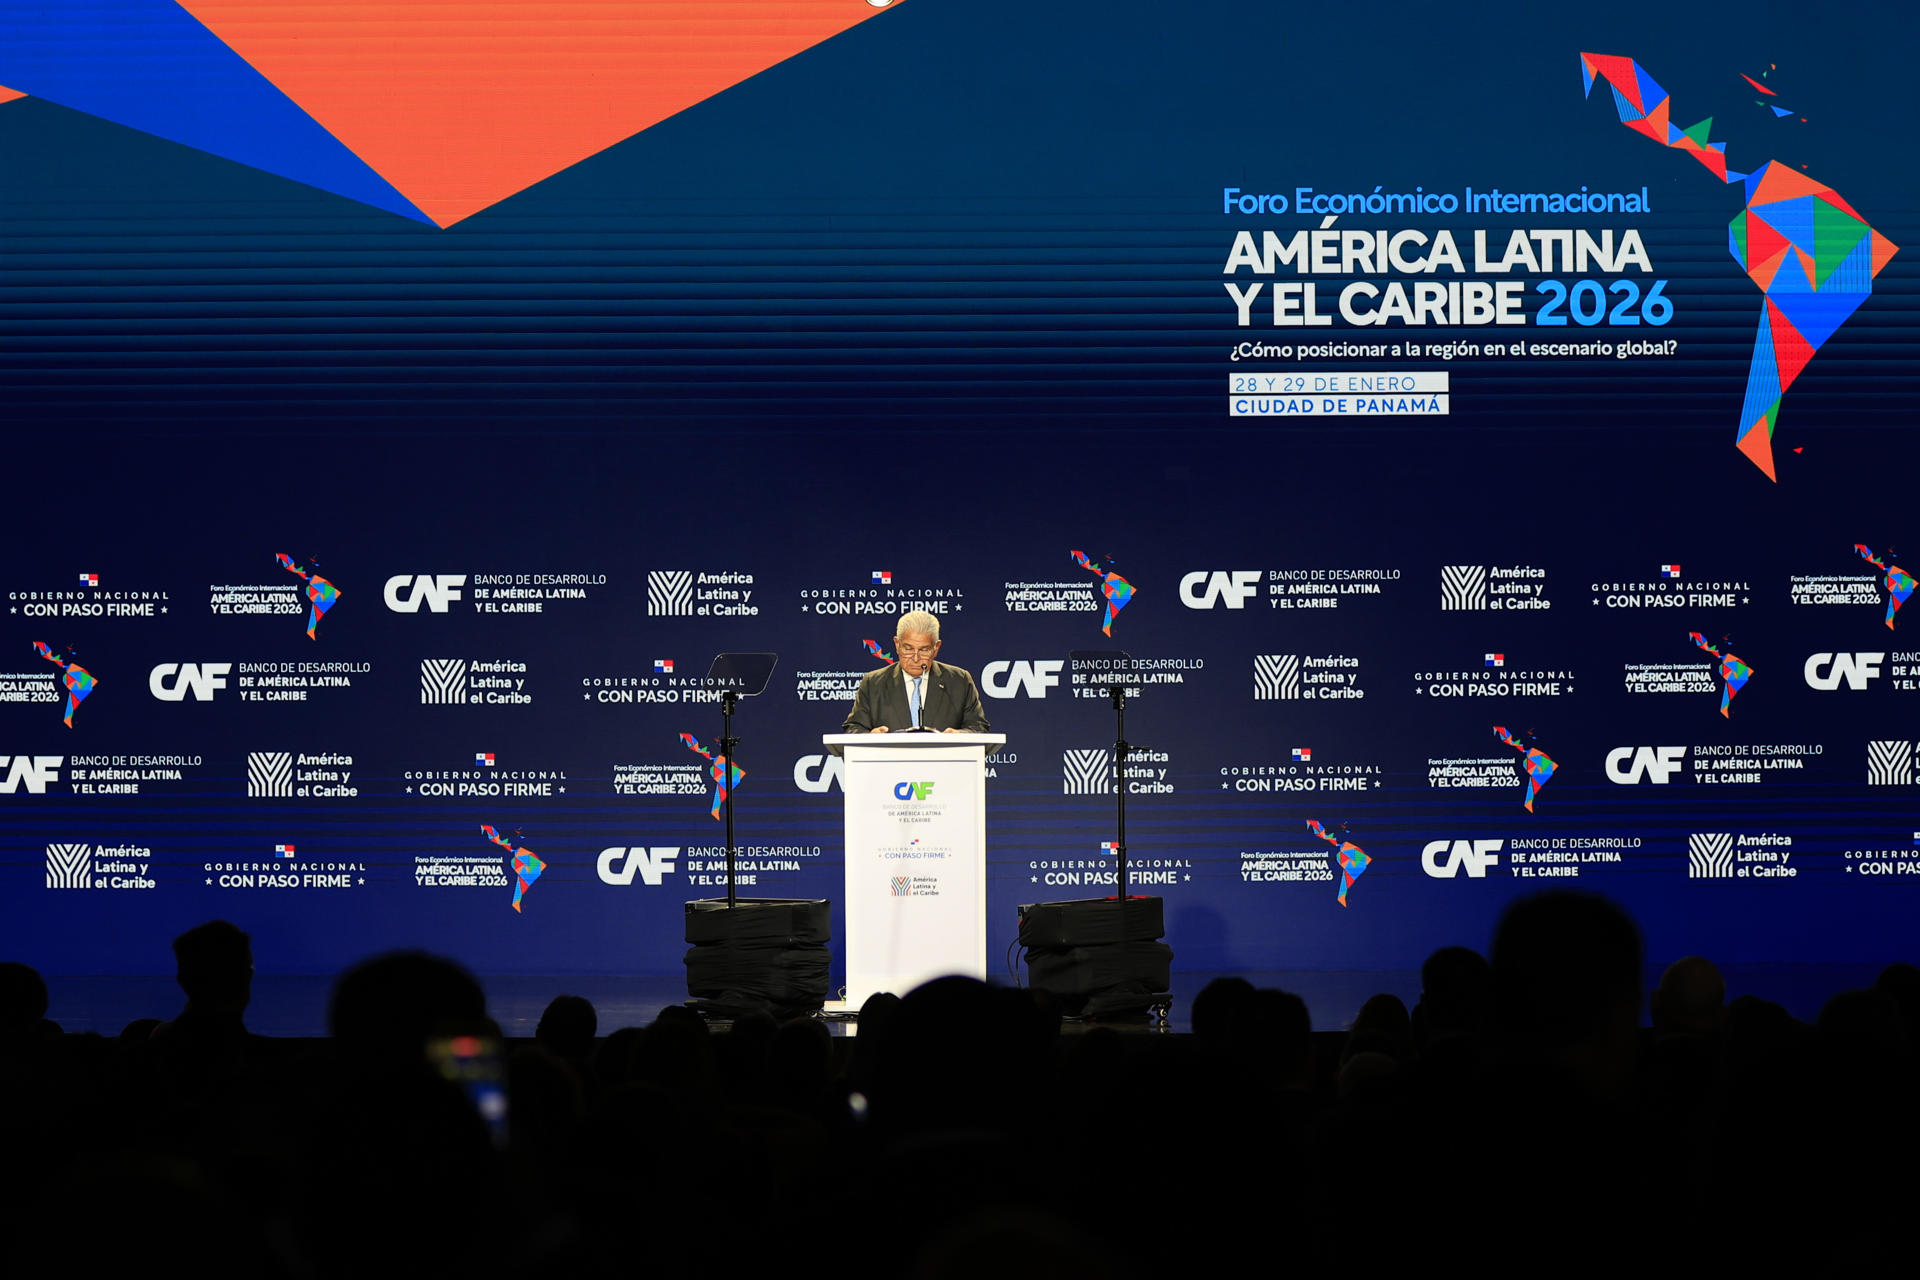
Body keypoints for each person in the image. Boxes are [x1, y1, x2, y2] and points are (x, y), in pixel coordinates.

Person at [842, 610, 990, 735]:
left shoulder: (959, 681)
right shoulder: (873, 683)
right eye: (908, 648)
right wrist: (870, 736)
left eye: (924, 650)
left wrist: (960, 736)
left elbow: (979, 728)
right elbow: (853, 728)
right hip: (890, 767)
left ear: (936, 648)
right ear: (897, 645)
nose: (915, 658)